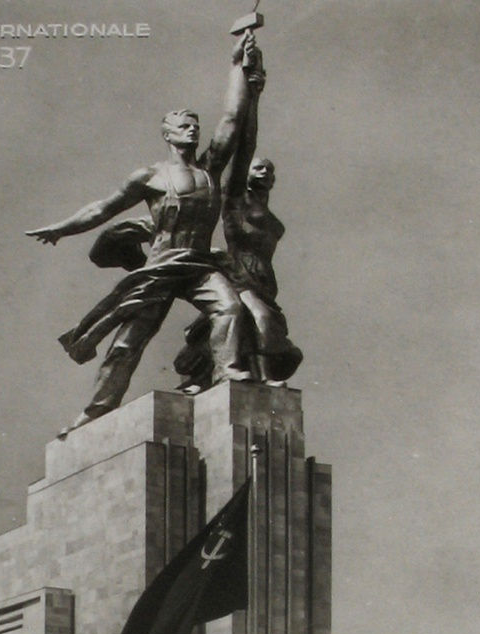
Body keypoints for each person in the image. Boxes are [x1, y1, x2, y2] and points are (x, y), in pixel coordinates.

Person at [26, 31, 260, 437]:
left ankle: (230, 378)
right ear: (167, 134)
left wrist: (237, 65)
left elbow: (233, 119)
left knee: (230, 310)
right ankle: (94, 412)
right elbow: (103, 207)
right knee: (126, 344)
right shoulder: (150, 176)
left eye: (195, 126)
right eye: (184, 126)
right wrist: (62, 229)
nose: (193, 131)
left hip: (199, 263)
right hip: (160, 266)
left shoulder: (209, 169)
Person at [175, 44, 302, 391]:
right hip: (238, 271)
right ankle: (252, 376)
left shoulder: (272, 219)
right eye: (258, 167)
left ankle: (244, 376)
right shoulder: (235, 201)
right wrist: (254, 93)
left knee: (256, 323)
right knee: (255, 320)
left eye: (269, 170)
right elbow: (245, 143)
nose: (263, 172)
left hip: (264, 280)